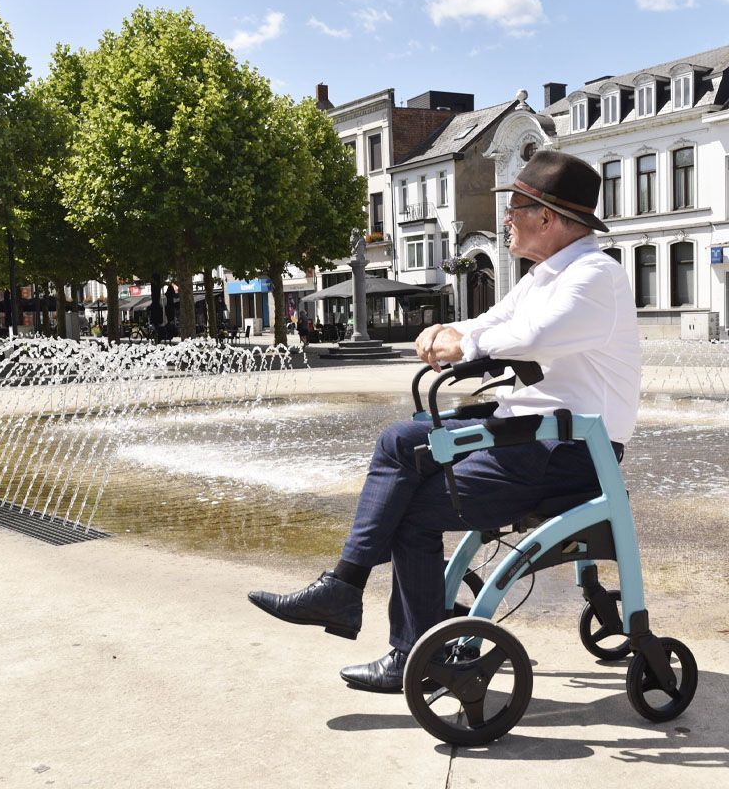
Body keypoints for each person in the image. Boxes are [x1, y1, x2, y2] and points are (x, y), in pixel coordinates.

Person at [248, 150, 641, 692]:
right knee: (400, 439)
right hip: (536, 436)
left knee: (413, 510)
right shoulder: (547, 275)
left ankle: (410, 652)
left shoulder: (595, 275)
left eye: (514, 208)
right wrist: (450, 330)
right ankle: (344, 585)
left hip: (569, 453)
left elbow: (537, 336)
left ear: (546, 218)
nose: (506, 218)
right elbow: (495, 319)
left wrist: (467, 344)